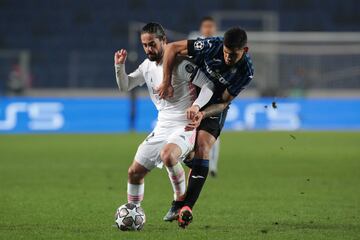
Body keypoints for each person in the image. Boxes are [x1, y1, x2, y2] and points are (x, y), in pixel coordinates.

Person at [114, 22, 215, 222]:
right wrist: (119, 66)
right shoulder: (146, 66)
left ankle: (179, 201)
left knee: (168, 156)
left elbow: (208, 85)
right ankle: (133, 214)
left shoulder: (180, 63)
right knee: (134, 172)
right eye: (144, 45)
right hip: (162, 127)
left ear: (164, 41)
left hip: (185, 124)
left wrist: (196, 106)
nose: (148, 49)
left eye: (152, 44)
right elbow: (125, 86)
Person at [158, 27, 254, 228]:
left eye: (233, 54)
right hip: (189, 96)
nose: (227, 57)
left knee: (203, 146)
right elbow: (172, 48)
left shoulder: (246, 71)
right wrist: (166, 82)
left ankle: (185, 207)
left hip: (212, 106)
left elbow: (224, 103)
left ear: (244, 50)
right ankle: (192, 163)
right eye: (226, 52)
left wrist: (202, 113)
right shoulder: (211, 45)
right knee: (188, 154)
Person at [199, 16, 220, 177]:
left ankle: (212, 165)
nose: (208, 29)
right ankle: (197, 160)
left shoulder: (221, 46)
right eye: (205, 26)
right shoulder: (196, 46)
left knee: (213, 133)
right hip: (197, 95)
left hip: (215, 96)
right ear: (201, 29)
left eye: (210, 26)